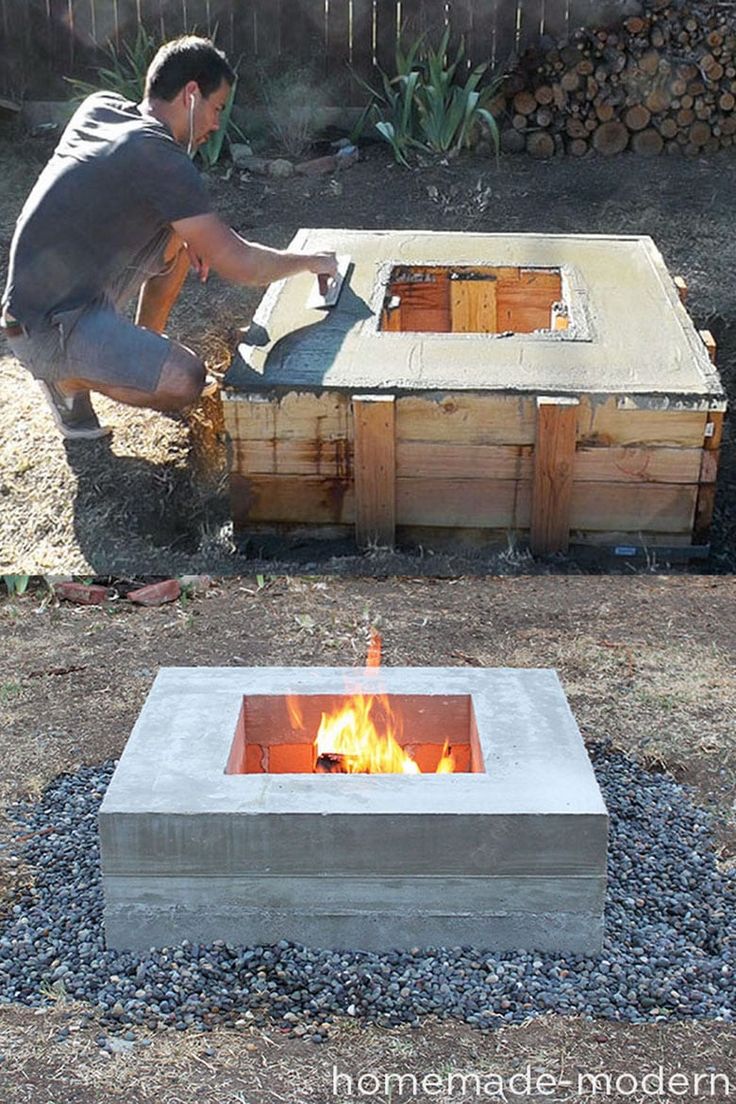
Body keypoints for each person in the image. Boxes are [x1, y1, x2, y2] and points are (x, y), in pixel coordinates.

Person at [0, 35, 337, 439]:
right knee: (186, 380)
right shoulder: (160, 157)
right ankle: (65, 381)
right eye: (216, 109)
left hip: (41, 303)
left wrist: (185, 238)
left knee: (180, 241)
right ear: (191, 94)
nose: (215, 124)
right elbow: (243, 264)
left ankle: (139, 347)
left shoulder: (102, 108)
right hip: (47, 328)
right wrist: (309, 262)